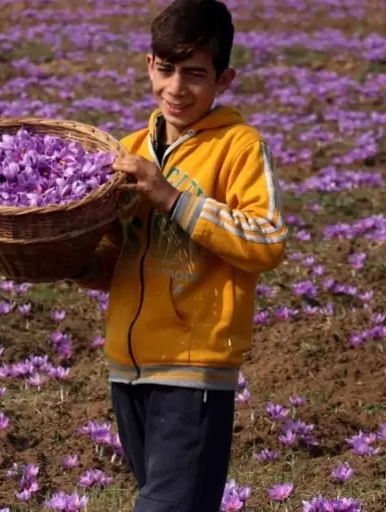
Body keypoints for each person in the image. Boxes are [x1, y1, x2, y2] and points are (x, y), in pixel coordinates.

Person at [73, 0, 289, 510]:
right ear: (150, 65)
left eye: (195, 74)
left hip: (194, 369)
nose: (177, 88)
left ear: (224, 79)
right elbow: (119, 257)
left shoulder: (239, 147)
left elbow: (266, 241)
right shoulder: (128, 151)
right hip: (127, 367)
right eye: (166, 69)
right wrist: (76, 264)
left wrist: (171, 198)